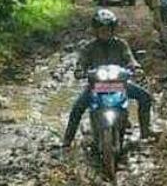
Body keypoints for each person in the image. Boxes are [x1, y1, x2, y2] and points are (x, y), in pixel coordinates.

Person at [62, 9, 154, 148]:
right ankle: (66, 142)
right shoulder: (89, 47)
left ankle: (145, 134)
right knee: (77, 108)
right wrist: (79, 70)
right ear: (96, 31)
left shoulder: (120, 44)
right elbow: (81, 62)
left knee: (145, 97)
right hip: (96, 86)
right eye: (102, 29)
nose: (105, 32)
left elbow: (130, 58)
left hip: (119, 84)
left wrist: (136, 67)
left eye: (108, 29)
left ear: (113, 30)